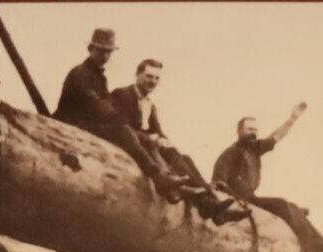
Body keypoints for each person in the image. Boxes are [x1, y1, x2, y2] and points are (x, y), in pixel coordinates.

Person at [53, 30, 229, 218]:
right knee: (126, 131)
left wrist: (162, 140)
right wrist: (127, 125)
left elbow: (111, 111)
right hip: (75, 124)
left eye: (109, 52)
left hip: (91, 125)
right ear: (90, 48)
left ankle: (208, 202)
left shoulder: (102, 78)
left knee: (178, 155)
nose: (105, 56)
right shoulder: (81, 74)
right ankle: (162, 180)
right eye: (101, 50)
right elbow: (98, 106)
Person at [110, 58, 247, 224]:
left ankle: (212, 205)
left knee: (185, 158)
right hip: (136, 148)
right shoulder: (122, 94)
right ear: (137, 75)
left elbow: (158, 131)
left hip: (152, 146)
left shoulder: (150, 105)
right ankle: (213, 210)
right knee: (171, 156)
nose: (152, 81)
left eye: (156, 78)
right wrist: (152, 139)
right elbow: (121, 127)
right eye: (149, 76)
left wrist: (164, 140)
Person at [212, 107, 323, 252]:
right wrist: (232, 198)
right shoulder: (231, 153)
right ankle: (311, 245)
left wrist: (292, 120)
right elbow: (218, 181)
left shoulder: (254, 150)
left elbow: (275, 137)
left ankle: (318, 241)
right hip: (242, 199)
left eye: (255, 130)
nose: (253, 133)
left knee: (292, 207)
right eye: (249, 129)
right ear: (240, 131)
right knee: (281, 204)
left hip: (251, 198)